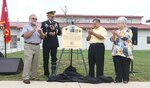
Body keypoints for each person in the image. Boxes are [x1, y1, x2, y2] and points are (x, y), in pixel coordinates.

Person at [21, 14, 44, 84]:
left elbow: (43, 38)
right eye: (33, 18)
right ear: (29, 19)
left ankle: (33, 76)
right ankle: (26, 77)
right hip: (29, 46)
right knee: (28, 62)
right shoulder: (26, 26)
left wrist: (41, 32)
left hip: (37, 46)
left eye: (36, 19)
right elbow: (25, 36)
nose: (35, 20)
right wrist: (33, 30)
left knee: (35, 62)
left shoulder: (39, 27)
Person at [110, 17, 133, 84]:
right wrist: (114, 34)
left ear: (124, 24)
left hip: (125, 51)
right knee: (117, 66)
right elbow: (112, 40)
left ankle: (125, 79)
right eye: (117, 22)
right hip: (116, 51)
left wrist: (117, 34)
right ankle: (118, 78)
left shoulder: (129, 30)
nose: (117, 24)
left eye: (119, 23)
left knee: (125, 65)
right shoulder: (117, 31)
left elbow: (125, 38)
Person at [41, 11, 61, 78]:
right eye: (51, 16)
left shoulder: (56, 23)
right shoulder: (44, 23)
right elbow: (42, 31)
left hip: (54, 43)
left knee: (54, 58)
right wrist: (48, 33)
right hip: (46, 43)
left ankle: (53, 72)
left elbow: (60, 33)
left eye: (53, 16)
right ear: (48, 16)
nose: (53, 18)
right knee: (46, 58)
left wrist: (55, 32)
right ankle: (46, 73)